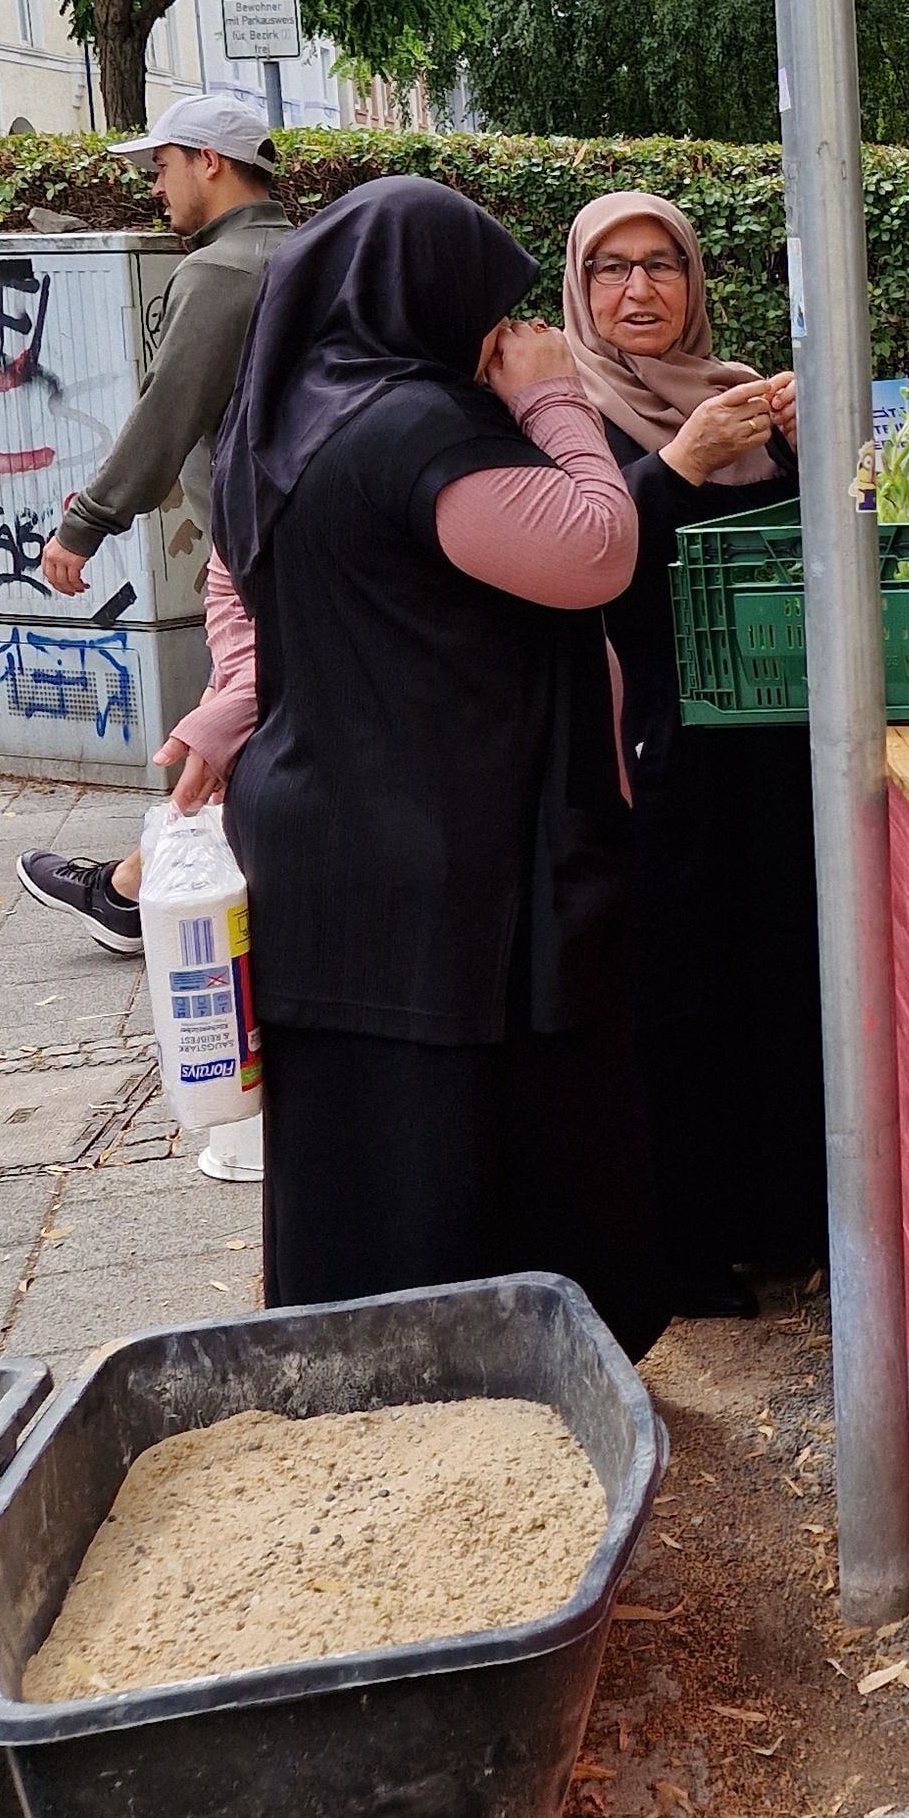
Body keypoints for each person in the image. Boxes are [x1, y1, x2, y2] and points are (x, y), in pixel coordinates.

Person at [163, 178, 664, 1346]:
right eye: (491, 305)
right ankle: (479, 1379)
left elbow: (263, 599)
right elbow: (596, 548)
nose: (506, 333)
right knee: (445, 1149)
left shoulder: (277, 425)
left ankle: (360, 1367)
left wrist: (230, 706)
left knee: (358, 1153)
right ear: (423, 297)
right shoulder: (411, 429)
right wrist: (556, 401)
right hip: (435, 853)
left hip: (322, 839)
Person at [561, 190, 827, 1318]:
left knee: (787, 970)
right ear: (580, 288)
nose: (638, 291)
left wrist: (817, 461)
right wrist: (672, 463)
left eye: (662, 265)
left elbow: (819, 551)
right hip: (654, 739)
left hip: (775, 737)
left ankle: (797, 1220)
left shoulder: (743, 394)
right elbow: (585, 556)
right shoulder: (562, 414)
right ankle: (696, 1244)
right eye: (612, 269)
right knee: (678, 989)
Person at [16, 92, 294, 959]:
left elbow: (166, 416)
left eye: (162, 166)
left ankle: (138, 893)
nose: (154, 188)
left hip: (254, 547)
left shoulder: (219, 270)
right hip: (313, 536)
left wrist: (84, 526)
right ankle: (139, 883)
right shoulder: (308, 249)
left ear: (210, 160)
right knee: (249, 715)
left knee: (231, 717)